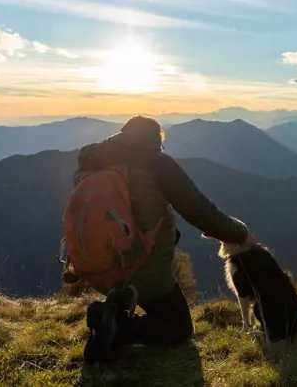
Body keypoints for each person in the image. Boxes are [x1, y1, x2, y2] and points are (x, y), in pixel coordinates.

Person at [75, 115, 256, 363]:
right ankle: (117, 325)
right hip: (140, 268)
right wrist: (240, 233)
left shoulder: (92, 164)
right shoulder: (157, 164)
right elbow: (200, 211)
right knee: (179, 330)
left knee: (145, 292)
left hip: (96, 267)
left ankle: (113, 311)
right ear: (155, 139)